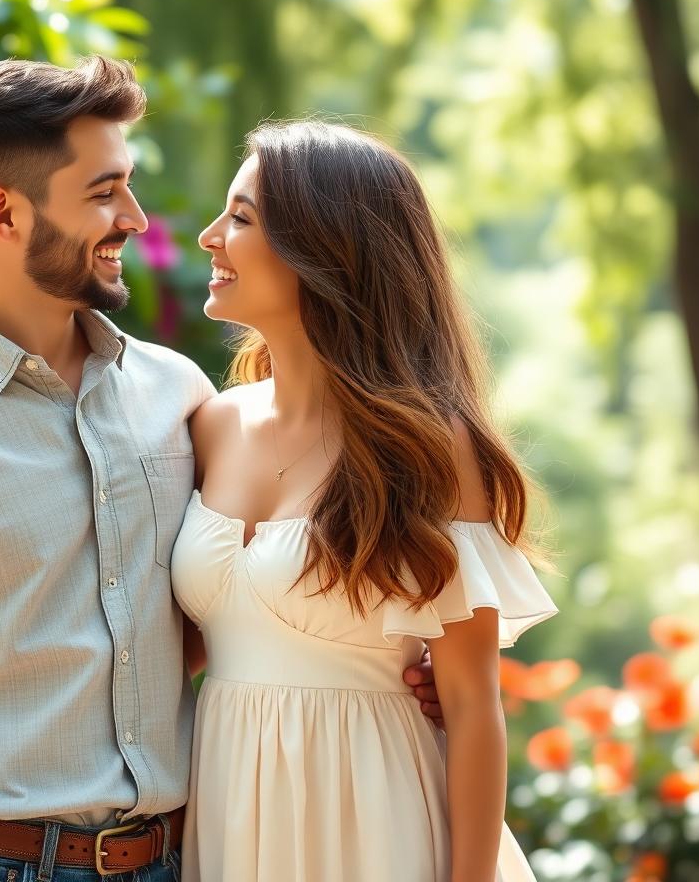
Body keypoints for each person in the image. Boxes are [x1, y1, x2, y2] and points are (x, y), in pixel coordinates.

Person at [0, 58, 443, 882]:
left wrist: (395, 662)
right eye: (104, 192)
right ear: (3, 213)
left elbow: (210, 611)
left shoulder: (178, 396)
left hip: (194, 856)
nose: (135, 217)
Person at [172, 120, 558, 882]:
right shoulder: (211, 425)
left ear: (328, 249)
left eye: (243, 217)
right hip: (227, 817)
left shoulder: (429, 450)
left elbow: (473, 706)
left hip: (378, 820)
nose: (211, 237)